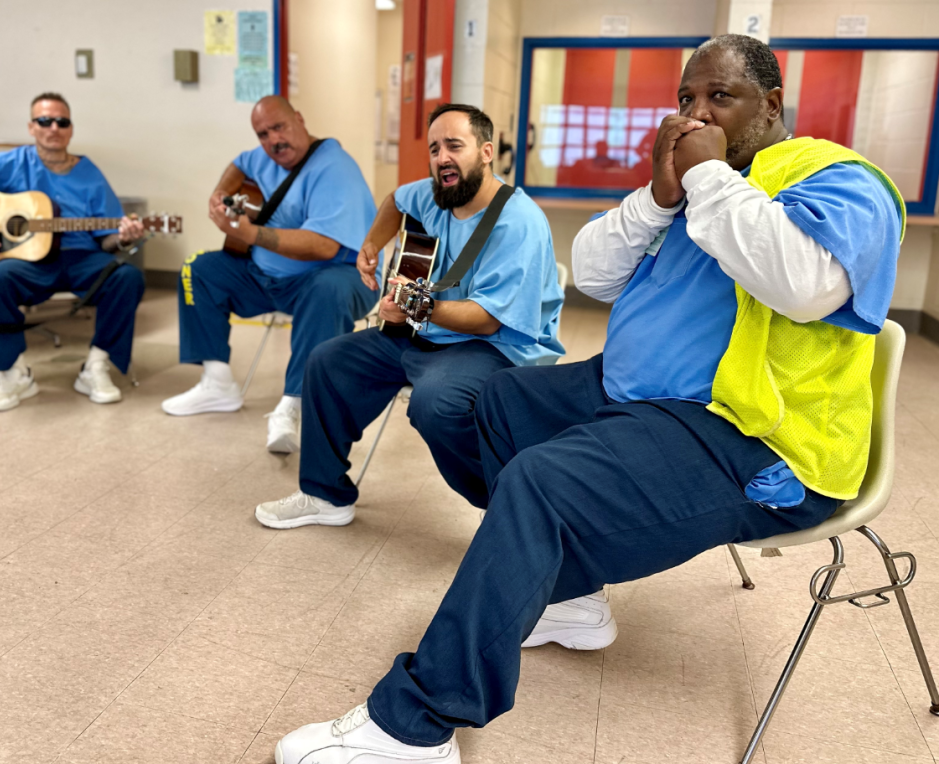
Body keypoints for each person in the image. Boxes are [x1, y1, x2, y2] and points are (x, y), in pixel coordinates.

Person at [270, 35, 905, 763]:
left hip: (753, 435)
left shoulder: (838, 178)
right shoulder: (697, 182)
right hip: (631, 389)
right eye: (686, 100)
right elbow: (596, 276)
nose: (697, 117)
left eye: (719, 99)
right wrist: (659, 196)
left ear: (771, 104)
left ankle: (419, 724)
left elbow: (804, 286)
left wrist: (704, 181)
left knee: (542, 482)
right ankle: (568, 593)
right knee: (497, 403)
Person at [254, 103, 564, 530]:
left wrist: (413, 307)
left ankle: (513, 507)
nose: (442, 158)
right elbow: (395, 201)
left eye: (454, 145)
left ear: (487, 152)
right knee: (328, 361)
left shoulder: (518, 221)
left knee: (437, 403)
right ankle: (325, 495)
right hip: (426, 331)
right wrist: (370, 246)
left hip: (492, 345)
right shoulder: (437, 194)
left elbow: (488, 319)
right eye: (435, 148)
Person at [160, 95, 378, 454]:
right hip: (265, 277)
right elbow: (238, 164)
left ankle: (293, 404)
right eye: (262, 134)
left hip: (338, 275)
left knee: (326, 290)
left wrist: (252, 234)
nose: (272, 140)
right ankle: (217, 382)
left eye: (279, 127)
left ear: (299, 119)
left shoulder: (334, 167)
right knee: (198, 268)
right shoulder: (261, 157)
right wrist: (219, 194)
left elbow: (324, 246)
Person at [0, 92, 146, 412]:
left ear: (71, 129)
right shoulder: (13, 162)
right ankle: (14, 372)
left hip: (81, 257)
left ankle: (96, 366)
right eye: (45, 120)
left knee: (127, 277)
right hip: (26, 260)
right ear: (32, 127)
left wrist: (125, 238)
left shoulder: (90, 173)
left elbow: (108, 239)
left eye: (62, 121)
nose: (53, 127)